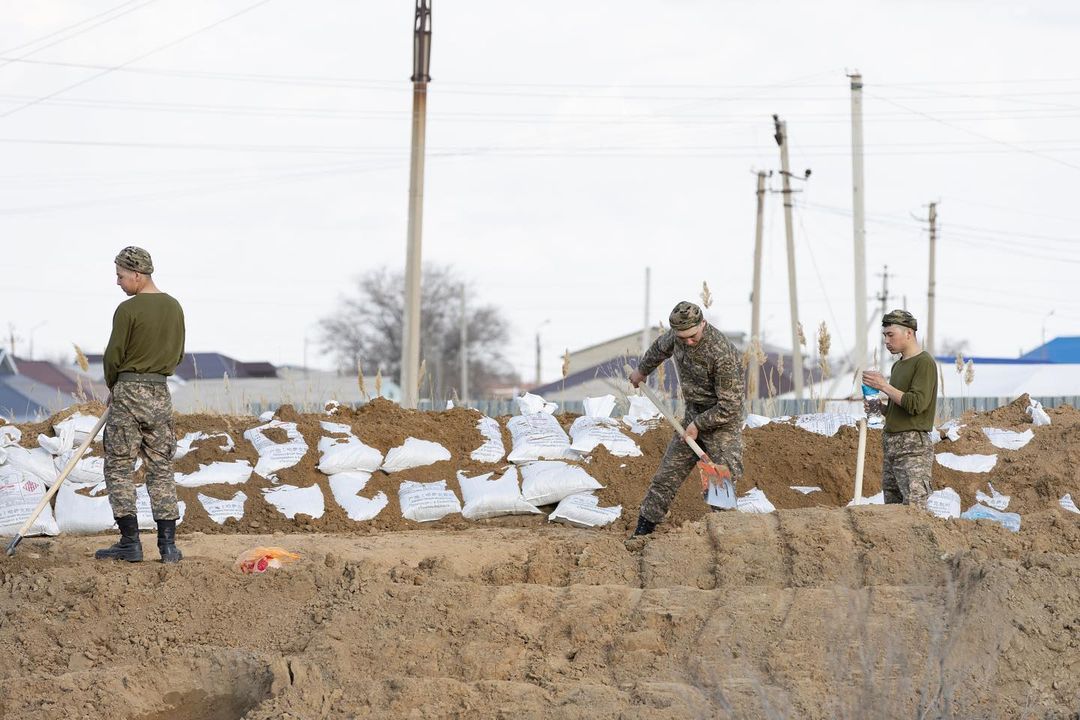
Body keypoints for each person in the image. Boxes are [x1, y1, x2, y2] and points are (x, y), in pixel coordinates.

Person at [95, 247, 186, 563]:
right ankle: (168, 547)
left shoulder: (127, 309)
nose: (118, 282)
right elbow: (177, 354)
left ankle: (130, 543)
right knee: (161, 464)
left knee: (119, 463)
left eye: (120, 276)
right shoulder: (174, 307)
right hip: (160, 393)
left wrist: (114, 385)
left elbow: (113, 356)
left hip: (129, 393)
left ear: (137, 274)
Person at [627, 301, 746, 539]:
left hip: (721, 424)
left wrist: (698, 426)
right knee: (665, 478)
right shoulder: (677, 337)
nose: (688, 341)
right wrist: (642, 371)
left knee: (718, 486)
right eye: (682, 338)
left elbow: (730, 406)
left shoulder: (721, 353)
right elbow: (658, 349)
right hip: (693, 414)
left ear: (703, 323)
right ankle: (642, 532)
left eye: (692, 336)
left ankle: (724, 540)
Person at [862, 309, 938, 507]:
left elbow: (917, 404)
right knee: (894, 513)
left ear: (909, 333)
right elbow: (901, 407)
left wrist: (884, 386)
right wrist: (881, 407)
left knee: (915, 508)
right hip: (892, 445)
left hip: (912, 447)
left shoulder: (924, 362)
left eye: (890, 335)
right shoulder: (898, 366)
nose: (886, 341)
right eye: (884, 336)